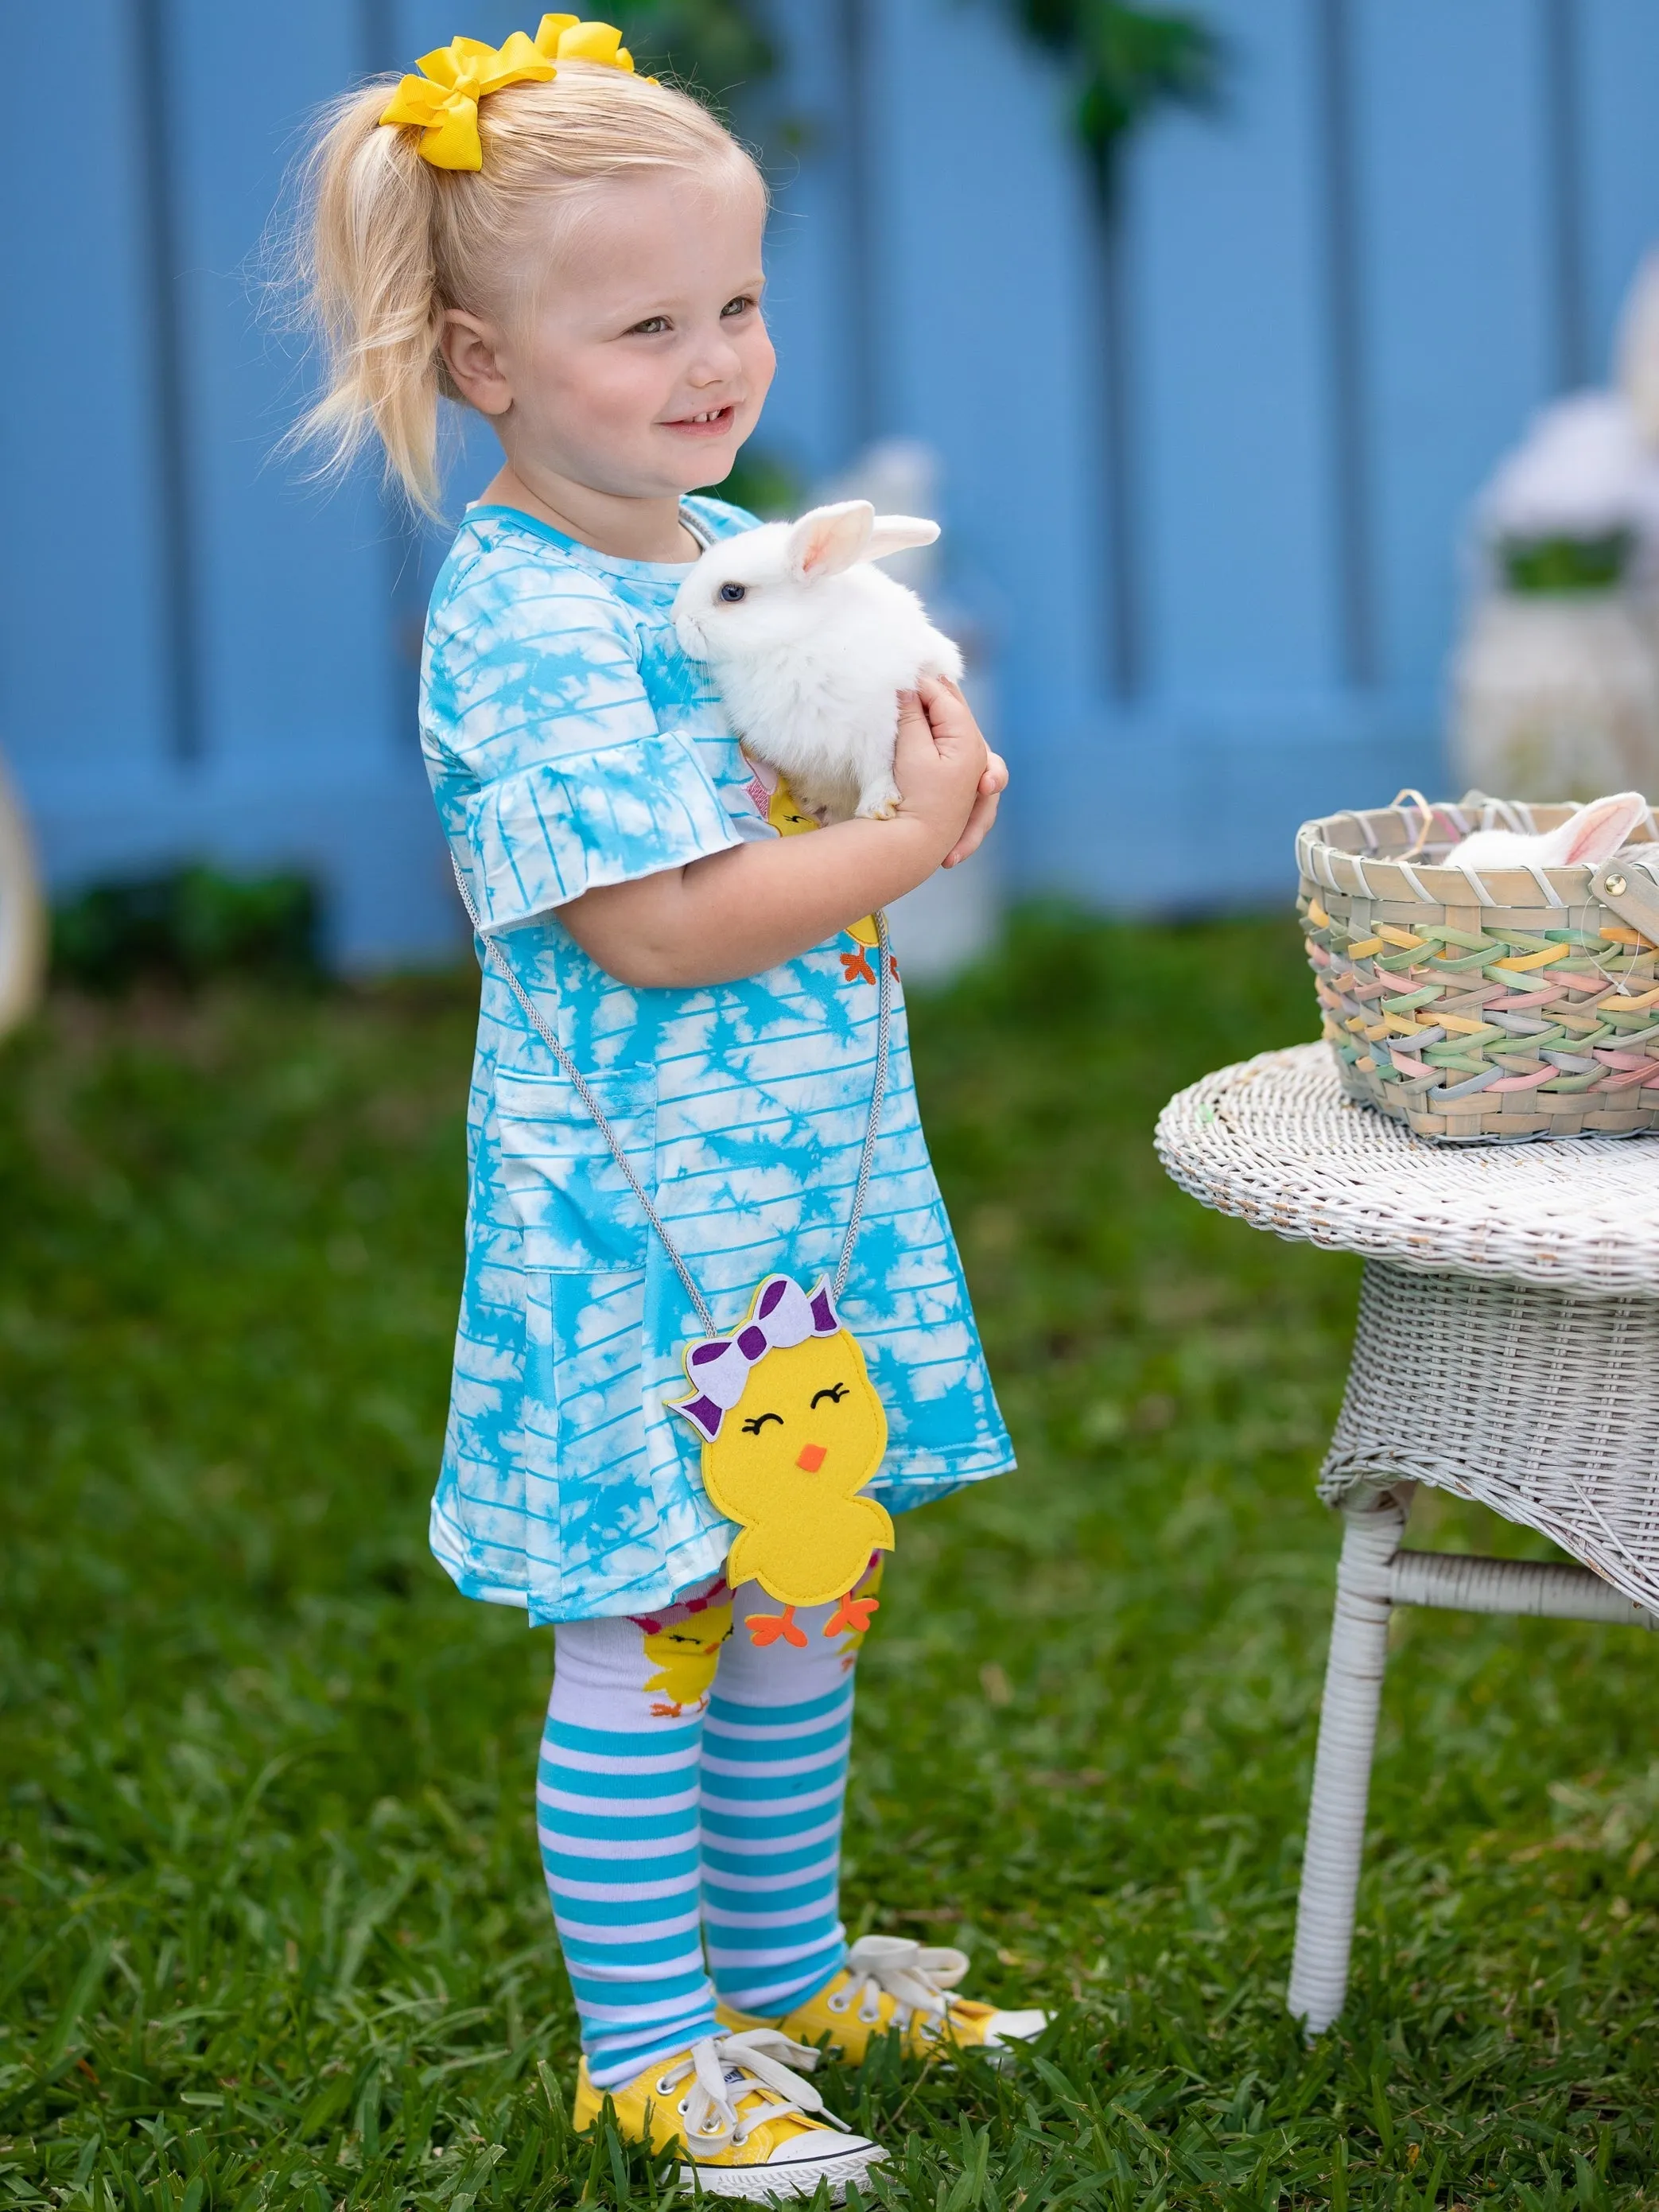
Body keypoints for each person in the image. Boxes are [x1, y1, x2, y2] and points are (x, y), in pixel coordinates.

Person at [293, 20, 1039, 2196]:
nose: (714, 357)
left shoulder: (722, 545)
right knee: (658, 1616)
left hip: (801, 1192)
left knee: (805, 1575)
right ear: (482, 360)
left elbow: (789, 767)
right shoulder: (523, 619)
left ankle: (785, 1964)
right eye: (643, 323)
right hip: (636, 1224)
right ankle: (646, 2047)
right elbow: (657, 928)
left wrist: (885, 736)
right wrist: (903, 845)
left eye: (734, 300)